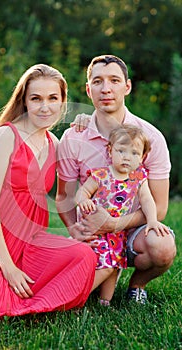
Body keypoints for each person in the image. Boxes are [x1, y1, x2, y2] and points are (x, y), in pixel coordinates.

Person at [0, 63, 104, 317]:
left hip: (29, 241)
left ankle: (36, 293)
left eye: (53, 98)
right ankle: (19, 288)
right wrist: (7, 267)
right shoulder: (6, 136)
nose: (45, 107)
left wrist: (86, 120)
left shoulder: (54, 143)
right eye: (36, 98)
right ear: (25, 101)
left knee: (83, 256)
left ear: (63, 102)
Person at [56, 54, 176, 304]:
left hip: (134, 232)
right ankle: (91, 280)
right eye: (98, 81)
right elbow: (64, 196)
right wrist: (75, 231)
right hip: (93, 233)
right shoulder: (73, 137)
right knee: (58, 273)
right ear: (89, 90)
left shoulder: (150, 138)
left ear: (127, 86)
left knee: (162, 247)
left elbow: (161, 208)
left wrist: (114, 224)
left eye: (114, 80)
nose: (106, 88)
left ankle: (137, 285)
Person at [75, 124, 170, 306]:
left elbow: (148, 201)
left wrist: (151, 221)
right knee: (105, 267)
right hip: (97, 230)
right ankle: (77, 297)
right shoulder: (100, 175)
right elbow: (82, 192)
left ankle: (105, 302)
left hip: (118, 233)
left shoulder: (138, 178)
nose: (127, 157)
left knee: (113, 267)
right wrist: (84, 201)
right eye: (121, 151)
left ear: (142, 157)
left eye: (134, 153)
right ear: (110, 151)